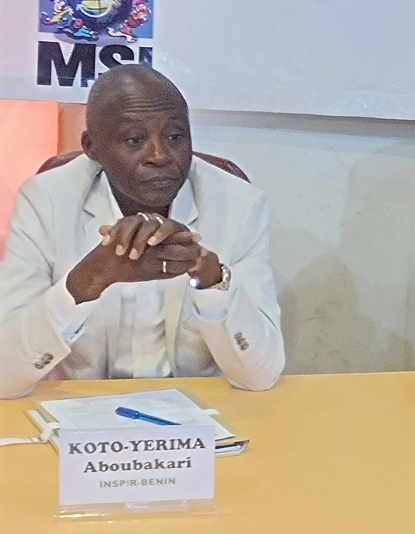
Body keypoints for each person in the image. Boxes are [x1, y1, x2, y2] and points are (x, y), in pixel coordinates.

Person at [0, 65, 285, 399]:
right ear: (92, 147)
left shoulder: (239, 205)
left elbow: (260, 375)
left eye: (175, 137)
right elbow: (5, 375)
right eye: (135, 140)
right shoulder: (46, 201)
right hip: (76, 407)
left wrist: (210, 278)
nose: (159, 156)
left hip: (195, 414)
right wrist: (89, 279)